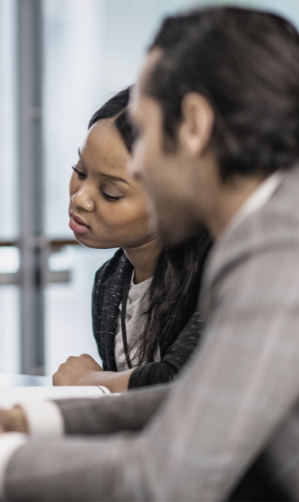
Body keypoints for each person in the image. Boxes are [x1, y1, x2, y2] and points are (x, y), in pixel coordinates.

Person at [0, 5, 299, 500]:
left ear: (193, 124)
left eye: (142, 133)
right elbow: (193, 399)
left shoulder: (278, 244)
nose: (138, 165)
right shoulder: (269, 226)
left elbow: (170, 479)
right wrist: (27, 418)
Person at [54, 87, 211, 392]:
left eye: (112, 192)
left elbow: (183, 384)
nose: (80, 198)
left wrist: (87, 381)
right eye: (81, 171)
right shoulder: (109, 281)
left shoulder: (217, 271)